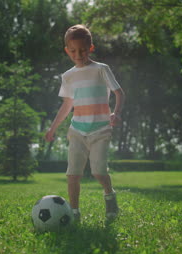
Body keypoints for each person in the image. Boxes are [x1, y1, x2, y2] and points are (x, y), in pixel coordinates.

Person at [45, 24, 125, 222]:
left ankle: (110, 196)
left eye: (82, 50)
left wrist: (116, 112)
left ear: (91, 47)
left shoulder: (101, 70)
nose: (78, 54)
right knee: (72, 174)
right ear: (67, 51)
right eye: (73, 51)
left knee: (98, 172)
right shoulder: (68, 76)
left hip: (100, 130)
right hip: (77, 131)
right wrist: (52, 128)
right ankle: (74, 213)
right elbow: (67, 105)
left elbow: (119, 93)